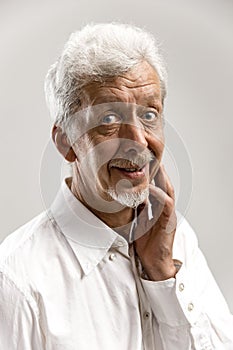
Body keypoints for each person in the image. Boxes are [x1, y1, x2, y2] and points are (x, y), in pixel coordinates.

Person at [0, 23, 232, 350]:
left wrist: (163, 274)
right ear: (67, 142)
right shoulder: (15, 281)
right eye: (108, 119)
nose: (138, 141)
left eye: (149, 114)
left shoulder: (179, 241)